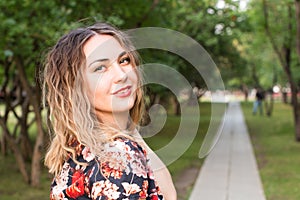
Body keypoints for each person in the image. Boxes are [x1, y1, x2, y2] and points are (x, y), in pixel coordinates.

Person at [42, 22, 177, 200]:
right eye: (100, 68)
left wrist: (130, 130)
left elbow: (168, 194)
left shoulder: (83, 149)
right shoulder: (117, 156)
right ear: (75, 87)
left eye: (124, 60)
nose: (122, 75)